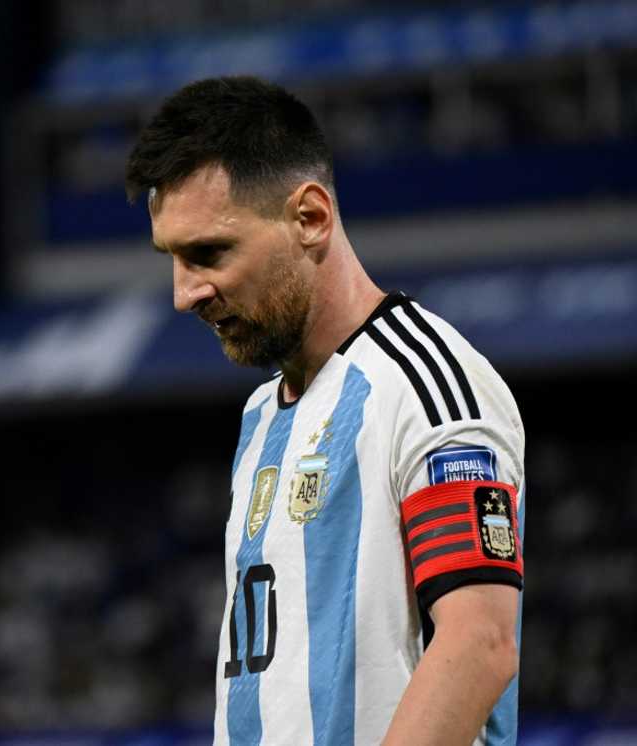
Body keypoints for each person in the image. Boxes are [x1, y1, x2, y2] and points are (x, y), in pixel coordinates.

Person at [124, 76, 525, 745]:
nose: (184, 294)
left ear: (310, 217)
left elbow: (480, 641)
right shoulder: (263, 416)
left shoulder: (424, 382)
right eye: (173, 258)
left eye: (209, 253)